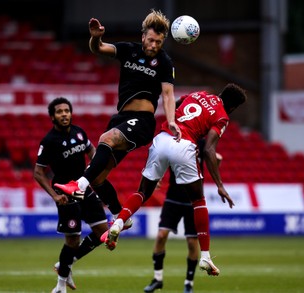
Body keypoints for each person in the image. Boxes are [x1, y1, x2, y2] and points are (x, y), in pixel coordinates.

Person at [102, 83, 247, 277]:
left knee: (143, 191)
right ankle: (205, 256)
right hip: (184, 144)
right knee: (198, 201)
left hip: (162, 138)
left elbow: (178, 103)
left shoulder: (198, 94)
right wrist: (220, 185)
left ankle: (119, 222)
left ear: (220, 93)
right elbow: (209, 149)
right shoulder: (222, 116)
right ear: (233, 107)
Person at [54, 9, 181, 209]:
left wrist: (171, 120)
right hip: (121, 118)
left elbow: (168, 94)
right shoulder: (128, 49)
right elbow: (99, 49)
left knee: (106, 139)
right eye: (150, 40)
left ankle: (78, 185)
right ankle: (117, 213)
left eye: (158, 42)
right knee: (98, 176)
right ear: (143, 37)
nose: (153, 45)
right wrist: (95, 38)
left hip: (142, 121)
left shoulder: (164, 62)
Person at [34, 97, 112, 293]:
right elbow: (38, 172)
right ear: (53, 117)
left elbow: (92, 151)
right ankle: (60, 285)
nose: (64, 114)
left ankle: (66, 264)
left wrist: (95, 168)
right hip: (65, 194)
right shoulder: (49, 141)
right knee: (73, 241)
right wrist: (54, 195)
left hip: (83, 188)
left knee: (103, 233)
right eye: (59, 112)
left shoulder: (79, 132)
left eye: (66, 111)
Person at [143, 139, 222, 293]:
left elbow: (216, 158)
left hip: (193, 200)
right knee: (160, 236)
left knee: (192, 243)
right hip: (173, 197)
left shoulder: (202, 144)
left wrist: (215, 161)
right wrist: (158, 177)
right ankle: (157, 279)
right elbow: (163, 158)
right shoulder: (176, 141)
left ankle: (188, 283)